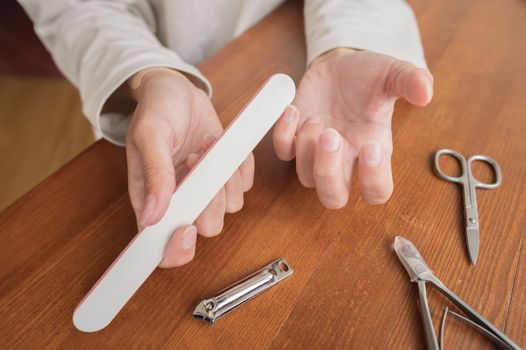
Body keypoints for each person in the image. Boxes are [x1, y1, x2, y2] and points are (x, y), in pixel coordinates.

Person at [19, 0, 433, 267]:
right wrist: (148, 73)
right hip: (147, 92)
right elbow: (74, 7)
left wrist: (346, 47)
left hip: (284, 44)